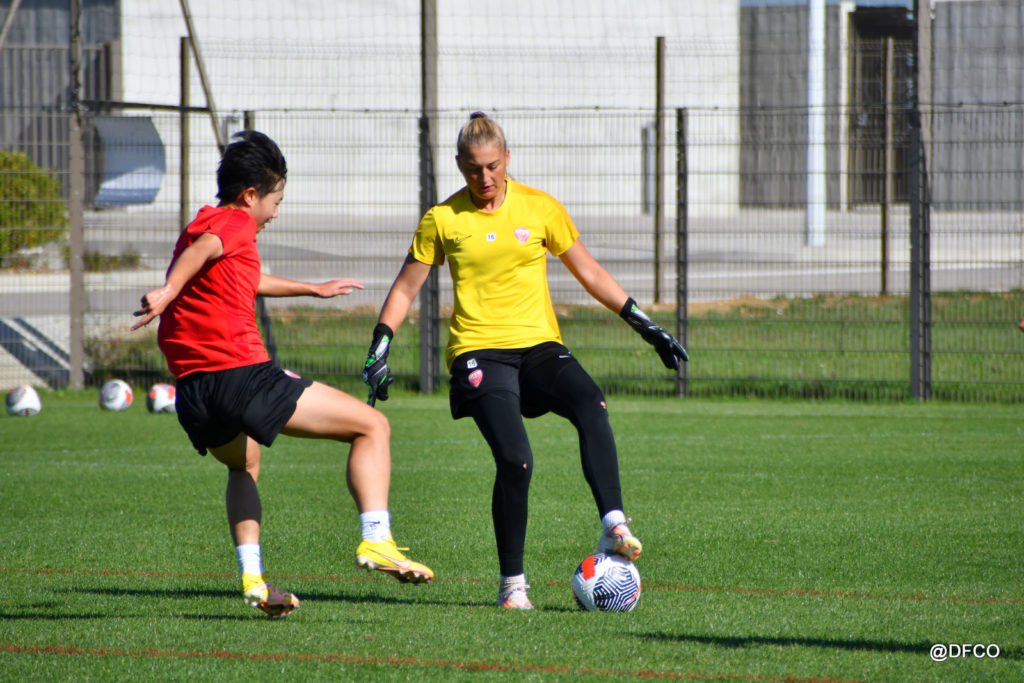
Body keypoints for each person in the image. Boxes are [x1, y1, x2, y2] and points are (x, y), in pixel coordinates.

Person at [363, 112, 686, 609]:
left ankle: (613, 524)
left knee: (590, 400)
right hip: (478, 352)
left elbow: (589, 271)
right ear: (459, 165)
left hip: (538, 348)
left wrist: (644, 323)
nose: (485, 177)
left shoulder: (540, 208)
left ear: (507, 159)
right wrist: (380, 346)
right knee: (516, 459)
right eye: (474, 168)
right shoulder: (443, 219)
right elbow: (406, 287)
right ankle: (512, 585)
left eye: (493, 166)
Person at [132, 130, 433, 618]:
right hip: (241, 376)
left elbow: (236, 271)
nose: (275, 213)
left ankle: (253, 579)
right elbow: (205, 250)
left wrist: (312, 289)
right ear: (251, 195)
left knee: (243, 464)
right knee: (372, 426)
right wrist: (167, 290)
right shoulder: (233, 223)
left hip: (195, 392)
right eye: (275, 201)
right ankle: (377, 540)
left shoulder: (206, 222)